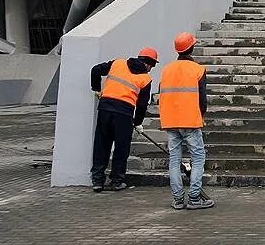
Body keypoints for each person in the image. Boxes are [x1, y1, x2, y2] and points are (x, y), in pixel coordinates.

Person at [90, 47, 158, 192]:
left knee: (101, 145)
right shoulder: (145, 79)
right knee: (121, 148)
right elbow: (141, 105)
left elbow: (95, 70)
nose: (151, 69)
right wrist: (138, 123)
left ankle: (97, 181)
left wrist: (96, 89)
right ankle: (117, 181)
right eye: (152, 65)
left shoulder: (118, 63)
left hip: (105, 109)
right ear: (148, 64)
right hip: (124, 113)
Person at [159, 32, 214, 210]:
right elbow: (202, 100)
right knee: (197, 159)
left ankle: (177, 199)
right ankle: (194, 198)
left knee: (174, 161)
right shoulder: (197, 69)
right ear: (192, 48)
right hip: (190, 120)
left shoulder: (166, 69)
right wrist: (200, 115)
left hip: (170, 121)